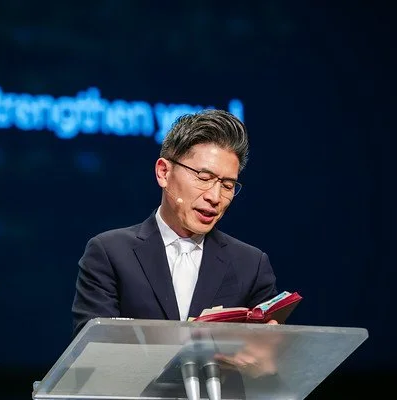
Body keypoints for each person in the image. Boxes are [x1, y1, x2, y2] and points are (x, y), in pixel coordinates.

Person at [71, 109, 279, 339]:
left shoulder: (251, 265)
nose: (215, 197)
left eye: (227, 185)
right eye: (204, 177)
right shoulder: (110, 253)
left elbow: (269, 353)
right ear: (164, 172)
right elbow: (95, 348)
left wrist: (268, 349)